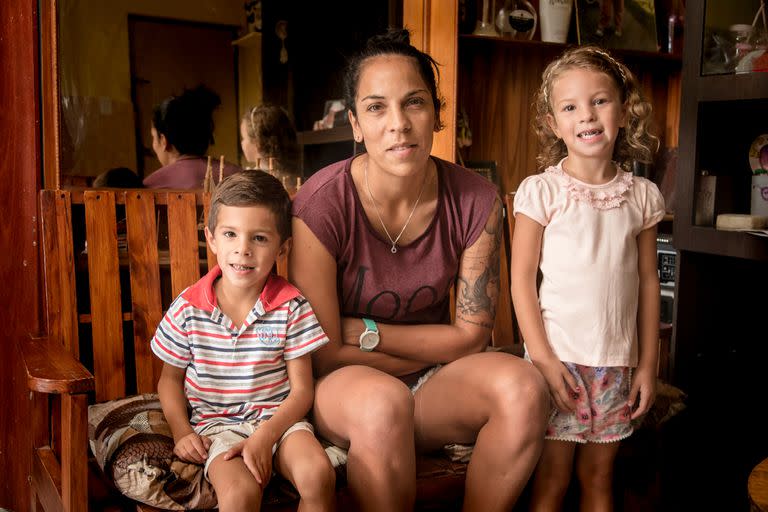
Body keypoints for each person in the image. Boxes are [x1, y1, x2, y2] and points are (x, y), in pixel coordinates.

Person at [290, 28, 549, 511]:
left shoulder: (477, 200)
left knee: (524, 389)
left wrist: (366, 333)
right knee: (383, 402)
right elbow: (322, 357)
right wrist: (437, 347)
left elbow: (472, 336)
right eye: (375, 107)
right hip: (344, 391)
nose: (398, 124)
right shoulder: (322, 204)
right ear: (354, 123)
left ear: (436, 112)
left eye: (414, 103)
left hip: (433, 386)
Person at [510, 45, 665, 510]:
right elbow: (521, 282)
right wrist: (541, 357)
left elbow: (648, 281)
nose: (588, 116)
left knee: (599, 478)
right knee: (552, 481)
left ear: (624, 109)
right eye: (570, 107)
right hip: (559, 363)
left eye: (600, 100)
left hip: (617, 363)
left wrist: (648, 365)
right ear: (555, 124)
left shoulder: (642, 196)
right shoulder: (541, 192)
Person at [151, 171, 335, 511]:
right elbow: (169, 380)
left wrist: (265, 436)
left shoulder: (290, 306)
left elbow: (301, 391)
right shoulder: (188, 308)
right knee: (239, 495)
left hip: (281, 423)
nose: (243, 249)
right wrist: (181, 433)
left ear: (282, 247)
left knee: (318, 475)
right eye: (231, 234)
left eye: (260, 239)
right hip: (218, 428)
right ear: (212, 238)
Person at [143, 85, 241, 189]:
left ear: (163, 141)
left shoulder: (150, 185)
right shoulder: (238, 176)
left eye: (153, 137)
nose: (153, 144)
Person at [240, 104, 300, 184]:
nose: (242, 143)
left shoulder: (252, 181)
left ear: (257, 142)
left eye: (244, 138)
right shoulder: (294, 176)